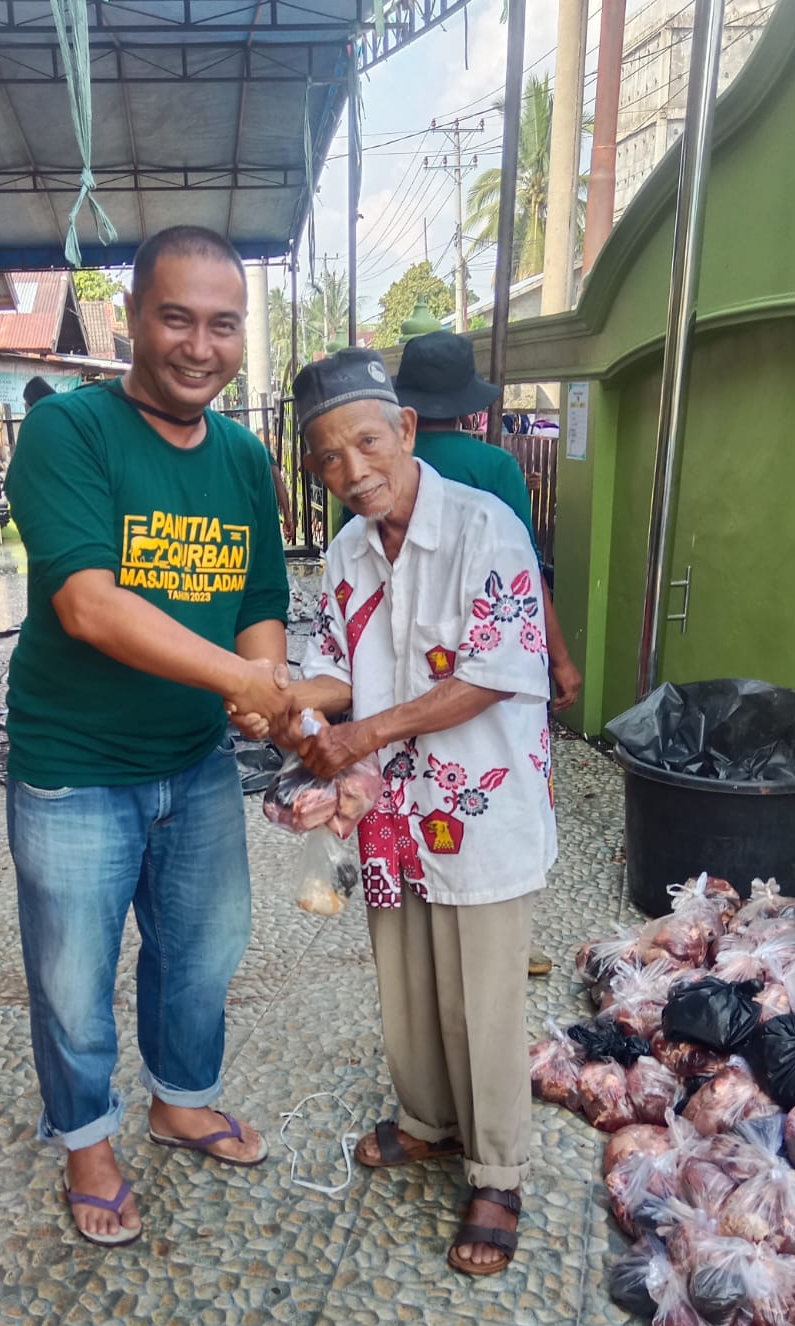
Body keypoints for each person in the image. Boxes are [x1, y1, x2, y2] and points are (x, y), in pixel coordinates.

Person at [3, 225, 293, 1247]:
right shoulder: (70, 433)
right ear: (133, 320)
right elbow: (89, 603)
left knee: (201, 953)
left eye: (223, 324)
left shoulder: (247, 457)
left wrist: (267, 690)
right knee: (74, 974)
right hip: (73, 768)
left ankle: (179, 1098)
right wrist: (249, 681)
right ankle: (88, 1140)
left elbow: (258, 596)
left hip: (196, 763)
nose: (199, 344)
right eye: (176, 317)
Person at [287, 347, 556, 1277]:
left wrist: (359, 736)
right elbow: (333, 668)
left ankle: (499, 1171)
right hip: (391, 807)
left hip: (479, 806)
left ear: (404, 430)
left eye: (366, 442)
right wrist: (282, 701)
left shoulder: (484, 528)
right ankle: (431, 1123)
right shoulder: (347, 553)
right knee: (405, 978)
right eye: (328, 457)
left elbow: (494, 674)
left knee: (481, 995)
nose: (352, 470)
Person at [393, 330, 584, 981]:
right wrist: (559, 658)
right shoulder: (495, 467)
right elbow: (523, 579)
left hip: (406, 679)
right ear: (468, 403)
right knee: (494, 804)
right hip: (485, 674)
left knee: (421, 798)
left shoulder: (378, 467)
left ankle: (429, 932)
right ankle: (503, 945)